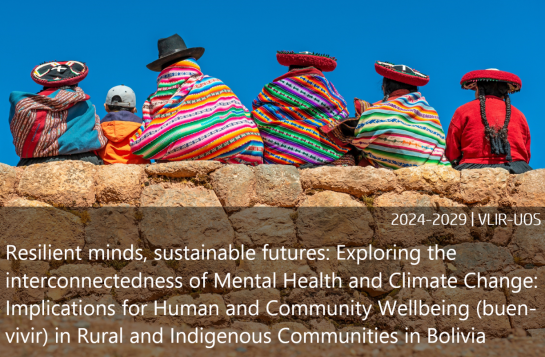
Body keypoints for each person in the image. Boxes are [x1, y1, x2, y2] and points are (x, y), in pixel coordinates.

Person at [130, 34, 263, 165]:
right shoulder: (214, 84)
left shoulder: (153, 100)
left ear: (163, 70)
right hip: (236, 146)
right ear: (190, 61)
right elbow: (242, 120)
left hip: (177, 155)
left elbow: (147, 137)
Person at [251, 51, 355, 167]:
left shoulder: (275, 89)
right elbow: (342, 114)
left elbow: (257, 109)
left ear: (290, 69)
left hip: (279, 158)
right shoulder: (328, 91)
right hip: (325, 155)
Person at [352, 61, 450, 169]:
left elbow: (360, 141)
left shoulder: (375, 112)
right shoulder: (431, 113)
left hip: (386, 171)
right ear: (415, 90)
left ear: (385, 88)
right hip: (431, 170)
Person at [9, 61, 107, 166]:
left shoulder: (24, 105)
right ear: (75, 82)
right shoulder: (85, 103)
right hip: (84, 160)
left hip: (33, 162)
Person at [445, 69, 531, 174]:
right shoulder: (519, 115)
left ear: (478, 88)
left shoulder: (463, 111)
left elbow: (452, 151)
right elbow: (525, 152)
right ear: (505, 92)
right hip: (516, 169)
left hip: (472, 169)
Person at [98, 85, 150, 165]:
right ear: (133, 109)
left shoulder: (99, 127)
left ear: (106, 107)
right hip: (139, 166)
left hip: (107, 166)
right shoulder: (143, 126)